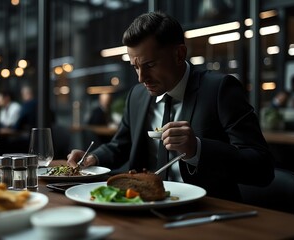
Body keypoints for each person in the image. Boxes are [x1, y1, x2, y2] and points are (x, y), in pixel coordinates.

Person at [67, 12, 274, 202]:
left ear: (179, 54)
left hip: (206, 210)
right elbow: (121, 144)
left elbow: (262, 168)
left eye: (149, 65)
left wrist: (197, 149)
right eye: (135, 67)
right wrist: (93, 158)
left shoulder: (219, 89)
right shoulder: (137, 96)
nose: (141, 78)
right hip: (145, 208)